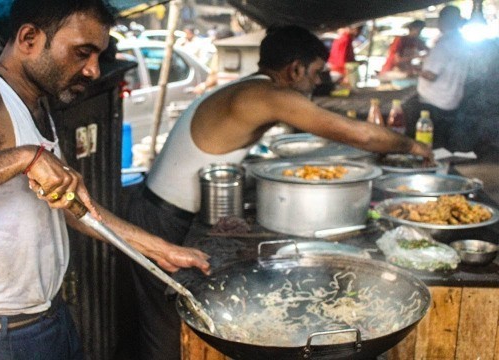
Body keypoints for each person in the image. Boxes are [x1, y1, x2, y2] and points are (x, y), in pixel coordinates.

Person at [0, 0, 210, 359]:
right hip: (0, 337)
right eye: (82, 53)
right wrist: (24, 158)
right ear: (29, 38)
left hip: (48, 318)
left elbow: (74, 208)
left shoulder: (36, 103)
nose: (93, 70)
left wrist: (160, 249)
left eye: (98, 55)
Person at [125, 25, 433, 360]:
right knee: (166, 329)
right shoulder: (267, 95)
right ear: (295, 69)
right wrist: (413, 144)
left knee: (168, 323)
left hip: (168, 210)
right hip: (160, 217)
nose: (317, 83)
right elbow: (360, 135)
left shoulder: (251, 88)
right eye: (315, 73)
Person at [417, 5, 470, 150]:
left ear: (442, 21)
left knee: (429, 145)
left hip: (435, 102)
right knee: (444, 145)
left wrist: (414, 70)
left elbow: (430, 75)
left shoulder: (444, 44)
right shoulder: (461, 42)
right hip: (452, 100)